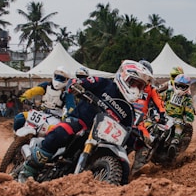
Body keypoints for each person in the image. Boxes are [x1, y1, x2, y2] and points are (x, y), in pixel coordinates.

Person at [17, 59, 152, 183]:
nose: (136, 89)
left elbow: (128, 131)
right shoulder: (104, 84)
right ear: (124, 77)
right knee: (61, 133)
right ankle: (29, 170)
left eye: (140, 86)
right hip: (81, 121)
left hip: (102, 140)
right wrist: (76, 85)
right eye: (134, 83)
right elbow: (81, 82)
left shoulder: (129, 110)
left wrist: (138, 138)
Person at [130, 60, 167, 176]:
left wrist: (162, 115)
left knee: (147, 140)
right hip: (122, 115)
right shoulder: (127, 82)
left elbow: (159, 103)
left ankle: (137, 169)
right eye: (141, 74)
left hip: (139, 122)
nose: (143, 77)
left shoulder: (151, 89)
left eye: (146, 76)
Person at [13, 66, 74, 132]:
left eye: (62, 78)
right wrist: (24, 96)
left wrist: (67, 115)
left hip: (55, 117)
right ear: (53, 76)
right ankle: (16, 136)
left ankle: (43, 142)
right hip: (40, 113)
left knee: (54, 131)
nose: (58, 80)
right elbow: (34, 90)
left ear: (67, 80)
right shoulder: (46, 86)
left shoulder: (67, 93)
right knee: (19, 118)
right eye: (57, 77)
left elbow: (71, 107)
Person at [159, 73, 195, 159]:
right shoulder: (169, 92)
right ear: (175, 84)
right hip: (165, 114)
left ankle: (175, 140)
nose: (180, 89)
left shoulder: (187, 98)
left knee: (179, 124)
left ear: (187, 87)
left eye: (183, 87)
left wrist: (189, 120)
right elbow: (159, 98)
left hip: (177, 118)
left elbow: (189, 110)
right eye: (178, 86)